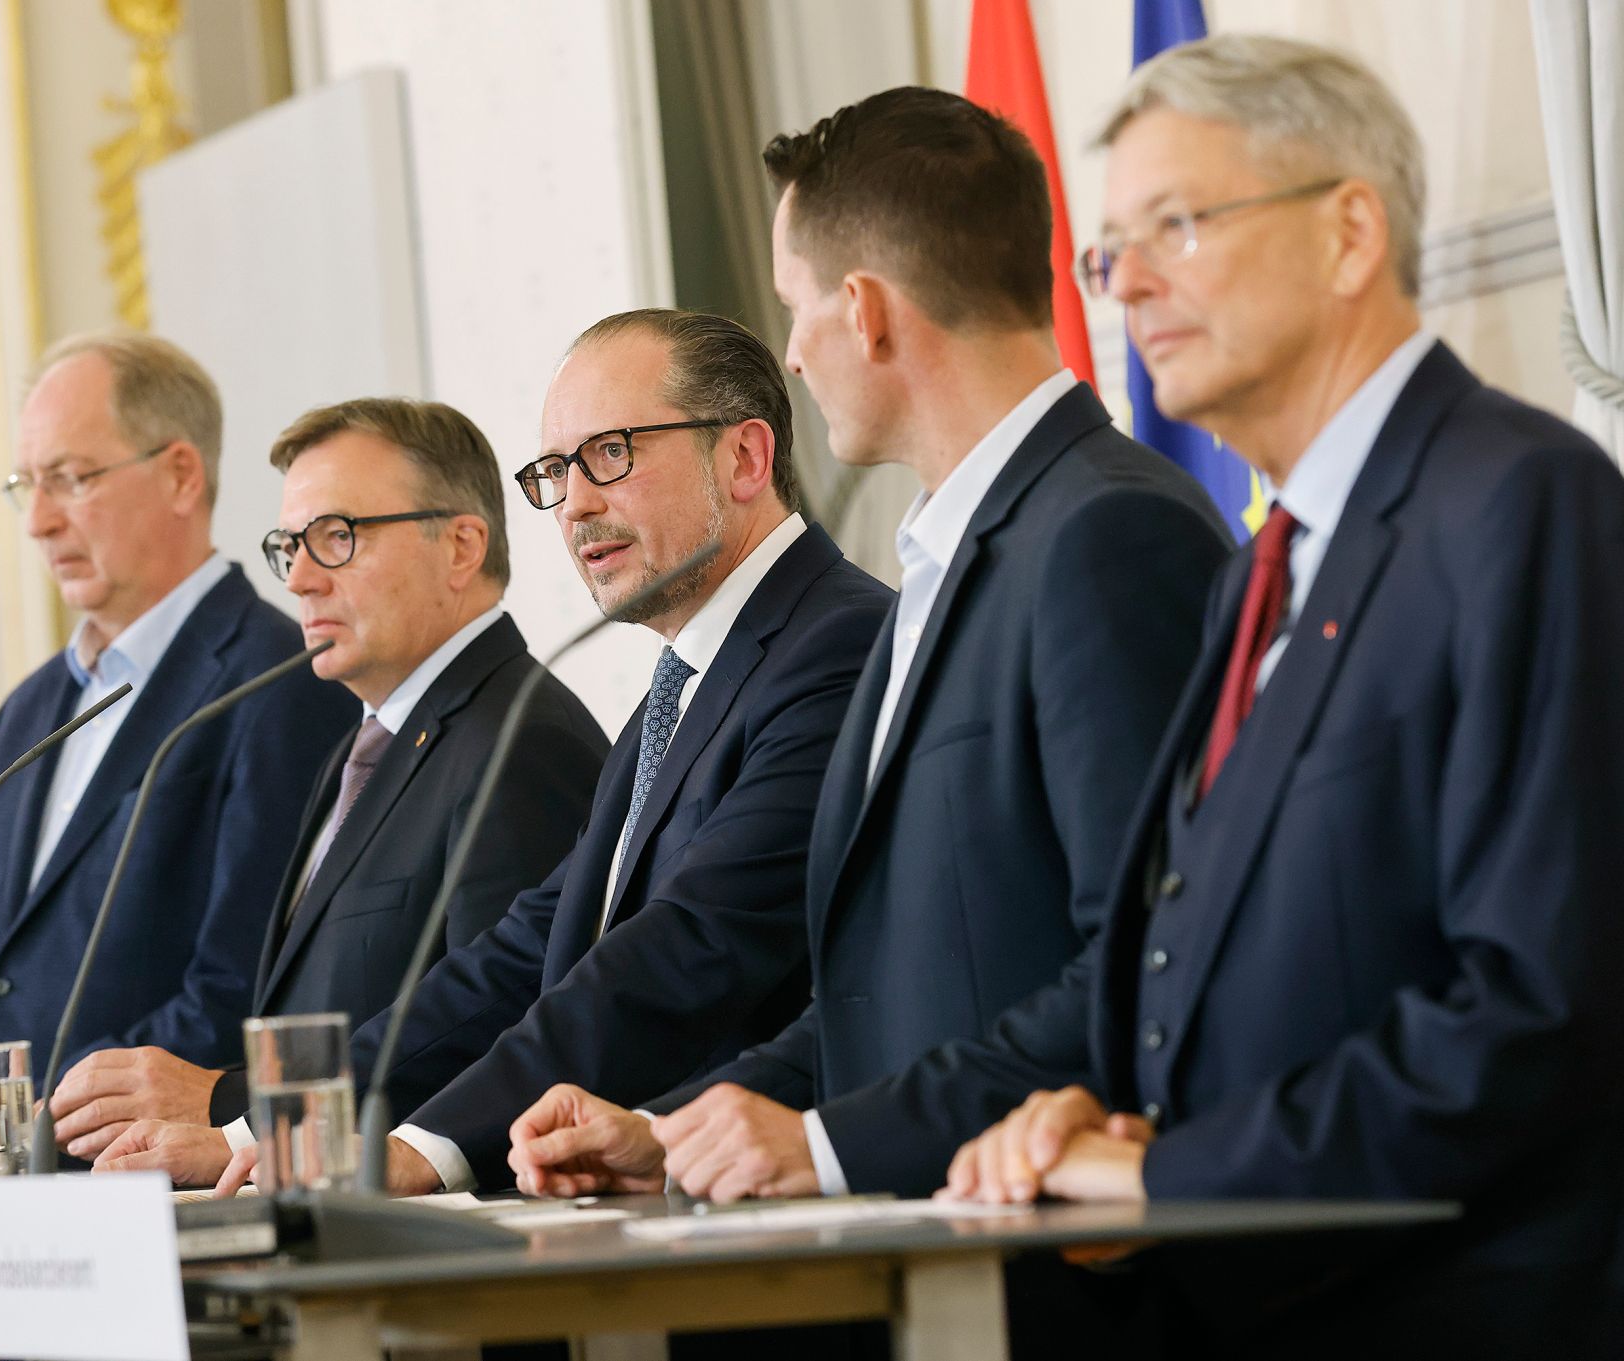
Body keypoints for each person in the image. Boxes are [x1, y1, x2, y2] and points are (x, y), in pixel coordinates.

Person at [787, 35, 1622, 1356]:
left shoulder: (1520, 502)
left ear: (1351, 232)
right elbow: (1212, 958)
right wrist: (1104, 1115)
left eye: (1179, 225)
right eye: (1112, 251)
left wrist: (1172, 1176)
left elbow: (1538, 1012)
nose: (1128, 288)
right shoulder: (1261, 574)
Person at [506, 86, 1229, 1204]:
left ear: (865, 310)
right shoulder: (935, 565)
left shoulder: (1105, 532)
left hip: (1057, 1266)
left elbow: (1141, 967)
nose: (790, 353)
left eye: (795, 308)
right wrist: (683, 1132)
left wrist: (829, 1147)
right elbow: (882, 994)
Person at [93, 308, 893, 1193]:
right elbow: (521, 956)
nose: (578, 503)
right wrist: (277, 1133)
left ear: (744, 457)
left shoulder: (837, 644)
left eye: (612, 454)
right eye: (556, 471)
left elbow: (691, 946)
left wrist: (425, 1146)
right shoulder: (682, 683)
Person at [42, 398, 609, 1163]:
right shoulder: (364, 745)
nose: (301, 579)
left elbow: (499, 1030)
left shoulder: (521, 739)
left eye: (338, 537)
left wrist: (231, 1105)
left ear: (462, 546)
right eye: (289, 546)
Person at [0, 332, 357, 1173]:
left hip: (148, 1185)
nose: (39, 520)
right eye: (28, 484)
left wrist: (8, 1124)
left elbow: (237, 986)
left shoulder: (278, 683)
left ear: (179, 474)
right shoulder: (27, 712)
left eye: (72, 479)